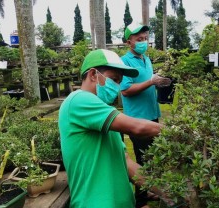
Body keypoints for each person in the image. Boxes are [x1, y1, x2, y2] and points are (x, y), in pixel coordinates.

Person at [58, 49, 168, 208]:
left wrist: (168, 190)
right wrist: (178, 131)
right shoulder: (79, 100)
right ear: (93, 75)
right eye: (113, 79)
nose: (117, 86)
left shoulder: (104, 114)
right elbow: (137, 127)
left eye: (119, 81)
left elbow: (127, 163)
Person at [120, 22, 171, 208]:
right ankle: (140, 202)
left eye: (145, 38)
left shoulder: (145, 59)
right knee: (142, 160)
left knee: (153, 157)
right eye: (138, 39)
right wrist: (150, 82)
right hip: (137, 118)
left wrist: (157, 80)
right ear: (129, 42)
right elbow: (125, 90)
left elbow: (147, 81)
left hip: (152, 114)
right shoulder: (124, 62)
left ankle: (148, 191)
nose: (143, 42)